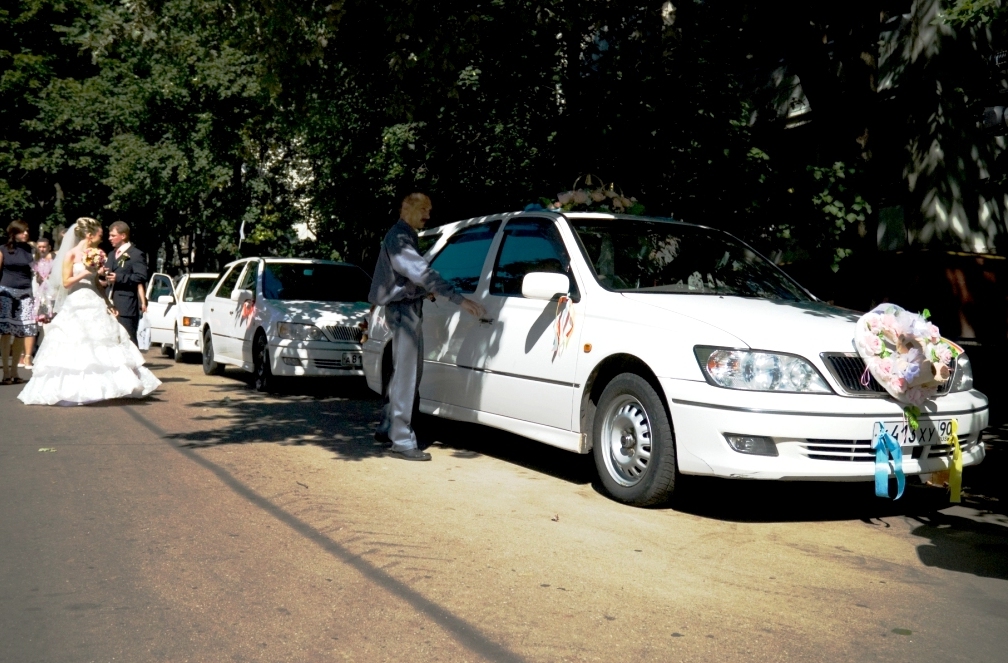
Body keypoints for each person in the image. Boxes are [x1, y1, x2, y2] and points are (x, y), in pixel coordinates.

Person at [369, 193, 485, 461]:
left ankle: (388, 428)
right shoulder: (400, 237)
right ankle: (401, 441)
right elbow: (420, 272)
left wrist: (425, 292)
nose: (428, 215)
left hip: (404, 307)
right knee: (407, 374)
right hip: (403, 310)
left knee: (401, 372)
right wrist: (459, 299)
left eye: (429, 210)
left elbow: (409, 277)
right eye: (423, 209)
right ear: (406, 209)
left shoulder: (404, 235)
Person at [18, 218, 160, 406]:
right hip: (76, 302)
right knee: (77, 342)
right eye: (100, 234)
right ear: (89, 235)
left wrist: (107, 301)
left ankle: (106, 387)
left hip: (94, 300)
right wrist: (85, 272)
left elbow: (96, 283)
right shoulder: (70, 254)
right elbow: (66, 282)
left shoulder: (97, 254)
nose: (102, 238)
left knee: (104, 342)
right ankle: (75, 389)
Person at [0, 220, 38, 384]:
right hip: (6, 291)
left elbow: (36, 270)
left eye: (27, 231)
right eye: (22, 231)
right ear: (14, 233)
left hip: (26, 293)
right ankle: (6, 372)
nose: (26, 234)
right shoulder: (3, 249)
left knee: (21, 332)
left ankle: (15, 371)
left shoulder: (30, 249)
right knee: (6, 332)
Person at [101, 220, 148, 345]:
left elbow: (141, 277)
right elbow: (107, 276)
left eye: (113, 235)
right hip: (108, 302)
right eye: (109, 235)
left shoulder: (136, 254)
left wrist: (119, 278)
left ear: (123, 236)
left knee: (128, 339)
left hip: (126, 305)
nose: (109, 238)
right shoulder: (111, 254)